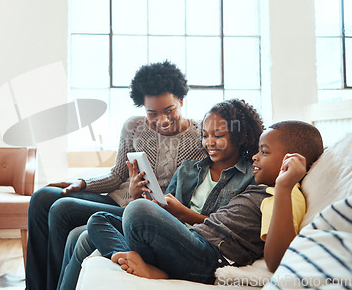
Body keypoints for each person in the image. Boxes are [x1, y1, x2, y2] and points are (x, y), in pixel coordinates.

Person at [26, 61, 206, 290]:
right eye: (152, 113)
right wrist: (81, 183)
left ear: (181, 100)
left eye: (169, 111)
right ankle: (34, 286)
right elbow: (116, 174)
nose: (161, 120)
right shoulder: (133, 126)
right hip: (117, 197)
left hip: (142, 211)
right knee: (42, 197)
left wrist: (142, 197)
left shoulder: (202, 136)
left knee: (62, 209)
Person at [57, 98, 264, 289]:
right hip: (170, 238)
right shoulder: (188, 170)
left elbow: (225, 230)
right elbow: (162, 212)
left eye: (218, 136)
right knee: (97, 221)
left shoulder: (251, 178)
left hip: (203, 248)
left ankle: (151, 267)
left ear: (241, 136)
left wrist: (181, 213)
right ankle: (130, 257)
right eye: (204, 136)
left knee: (103, 228)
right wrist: (139, 196)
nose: (209, 142)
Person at [87, 120, 324, 284]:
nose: (255, 156)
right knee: (99, 219)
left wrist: (284, 186)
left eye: (264, 152)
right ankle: (134, 259)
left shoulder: (287, 194)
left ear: (290, 161)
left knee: (138, 210)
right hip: (195, 240)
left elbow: (277, 261)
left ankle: (149, 266)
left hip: (209, 258)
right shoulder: (263, 189)